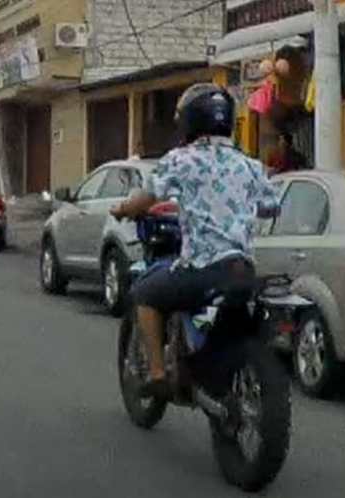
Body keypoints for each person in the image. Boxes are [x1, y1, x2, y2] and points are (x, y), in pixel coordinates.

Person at [110, 83, 280, 398]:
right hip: (242, 268)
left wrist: (122, 209)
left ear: (189, 120)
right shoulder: (250, 165)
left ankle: (159, 374)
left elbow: (145, 200)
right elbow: (271, 207)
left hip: (203, 266)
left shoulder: (182, 160)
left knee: (144, 293)